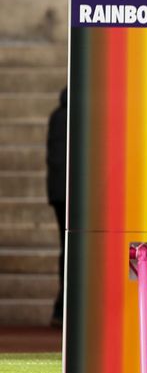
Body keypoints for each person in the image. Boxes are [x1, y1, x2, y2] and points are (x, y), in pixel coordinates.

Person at [46, 87, 67, 328]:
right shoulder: (80, 117)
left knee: (65, 248)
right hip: (73, 194)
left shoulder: (55, 116)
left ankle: (61, 308)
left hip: (57, 193)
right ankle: (63, 307)